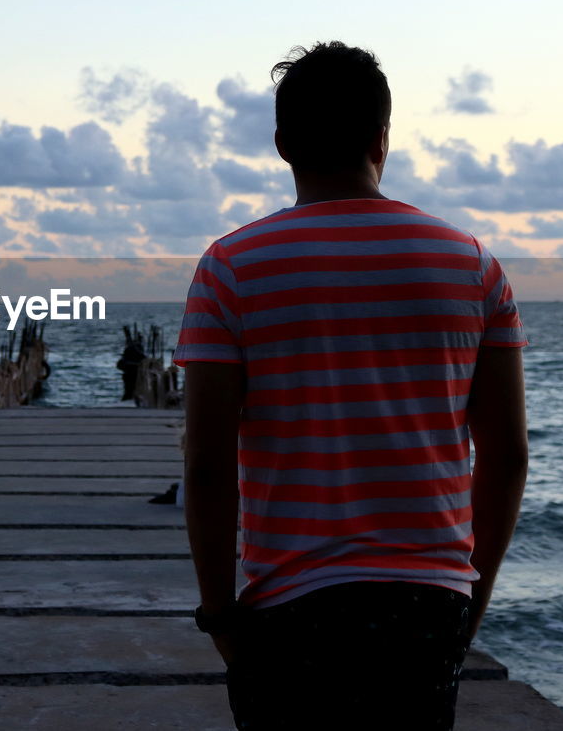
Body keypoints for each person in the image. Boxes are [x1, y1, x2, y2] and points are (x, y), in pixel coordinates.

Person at [172, 42, 529, 730]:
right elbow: (507, 454)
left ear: (282, 145)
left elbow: (208, 464)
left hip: (288, 604)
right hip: (428, 604)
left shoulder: (230, 268)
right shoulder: (476, 267)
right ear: (381, 137)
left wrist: (219, 613)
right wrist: (467, 599)